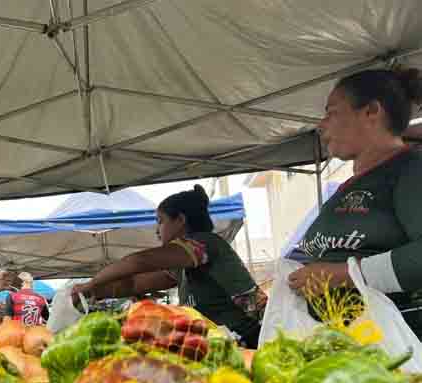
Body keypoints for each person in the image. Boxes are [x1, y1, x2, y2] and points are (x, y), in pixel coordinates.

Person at [287, 67, 422, 334]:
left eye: (331, 112)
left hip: (396, 353)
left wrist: (344, 274)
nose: (321, 124)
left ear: (372, 111)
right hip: (342, 346)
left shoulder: (410, 170)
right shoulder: (349, 187)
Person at [73, 185, 266, 347]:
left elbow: (139, 262)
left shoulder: (204, 243)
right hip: (219, 342)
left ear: (180, 220)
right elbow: (134, 284)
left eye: (160, 221)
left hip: (248, 339)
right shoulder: (181, 264)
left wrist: (91, 283)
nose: (157, 230)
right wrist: (96, 293)